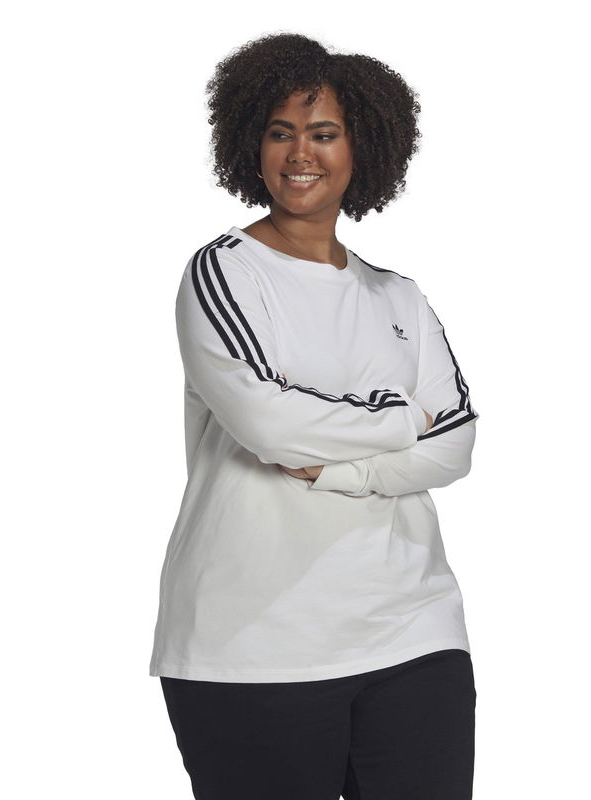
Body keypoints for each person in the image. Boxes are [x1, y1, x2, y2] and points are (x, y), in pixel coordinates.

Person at [149, 32, 479, 800]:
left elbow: (456, 445)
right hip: (253, 642)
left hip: (414, 629)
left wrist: (337, 469)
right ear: (252, 146)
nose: (302, 153)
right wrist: (403, 417)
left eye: (324, 132)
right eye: (281, 132)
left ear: (363, 148)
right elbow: (264, 421)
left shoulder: (400, 298)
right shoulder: (224, 273)